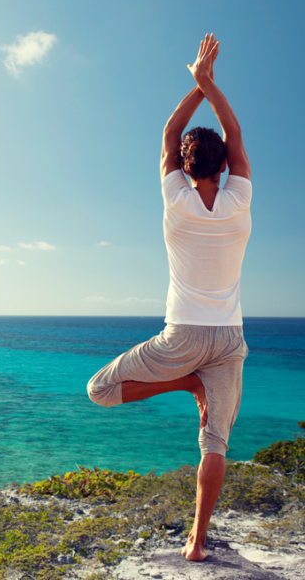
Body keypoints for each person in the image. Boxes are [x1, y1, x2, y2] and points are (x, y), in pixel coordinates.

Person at [86, 34, 252, 562]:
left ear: (184, 166)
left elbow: (169, 132)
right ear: (224, 167)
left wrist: (196, 83)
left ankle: (185, 384)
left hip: (182, 336)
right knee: (215, 444)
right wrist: (209, 83)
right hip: (228, 340)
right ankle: (197, 544)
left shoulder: (174, 199)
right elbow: (236, 132)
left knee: (99, 390)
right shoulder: (239, 199)